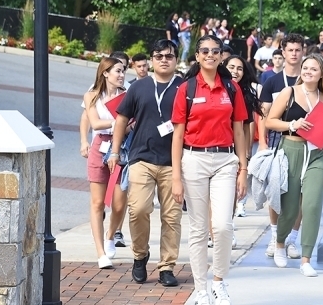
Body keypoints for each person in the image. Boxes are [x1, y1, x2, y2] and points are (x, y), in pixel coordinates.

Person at [171, 35, 249, 305]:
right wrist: (175, 176)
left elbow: (239, 130)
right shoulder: (187, 88)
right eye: (204, 51)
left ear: (220, 56)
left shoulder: (231, 88)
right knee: (198, 229)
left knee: (223, 226)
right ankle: (201, 288)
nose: (210, 55)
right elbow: (177, 136)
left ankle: (218, 281)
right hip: (193, 160)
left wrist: (243, 168)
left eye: (215, 51)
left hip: (226, 160)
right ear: (197, 55)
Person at [108, 39, 183, 286]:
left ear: (176, 60)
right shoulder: (138, 87)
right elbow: (121, 119)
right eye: (159, 55)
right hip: (141, 158)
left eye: (169, 56)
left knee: (171, 217)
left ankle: (167, 267)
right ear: (151, 60)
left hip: (174, 162)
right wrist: (115, 153)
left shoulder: (183, 87)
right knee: (138, 209)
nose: (163, 59)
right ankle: (140, 256)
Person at [265, 53, 323, 274]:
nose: (307, 71)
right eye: (305, 68)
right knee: (290, 205)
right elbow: (270, 121)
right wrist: (292, 124)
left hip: (317, 155)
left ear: (321, 73)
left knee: (312, 205)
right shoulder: (289, 92)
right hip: (291, 150)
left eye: (313, 69)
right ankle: (279, 245)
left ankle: (306, 259)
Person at [258, 33, 305, 260]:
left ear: (302, 52)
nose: (294, 54)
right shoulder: (273, 82)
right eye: (290, 50)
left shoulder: (309, 80)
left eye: (298, 50)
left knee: (301, 194)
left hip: (303, 142)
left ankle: (293, 239)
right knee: (276, 189)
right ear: (282, 52)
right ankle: (275, 235)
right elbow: (263, 115)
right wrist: (262, 142)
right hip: (278, 140)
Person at [83, 57, 128, 269]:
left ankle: (111, 235)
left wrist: (122, 125)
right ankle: (100, 252)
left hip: (121, 147)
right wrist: (120, 121)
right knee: (97, 202)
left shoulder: (127, 96)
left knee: (119, 202)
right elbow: (95, 123)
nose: (121, 75)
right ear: (105, 73)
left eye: (123, 71)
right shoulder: (92, 95)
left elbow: (132, 124)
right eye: (118, 71)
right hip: (99, 145)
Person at [224, 55, 263, 219]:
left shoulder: (246, 95)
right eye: (231, 67)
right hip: (216, 145)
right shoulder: (218, 88)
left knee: (230, 192)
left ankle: (228, 227)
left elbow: (247, 126)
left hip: (235, 149)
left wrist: (245, 154)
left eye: (239, 68)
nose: (235, 71)